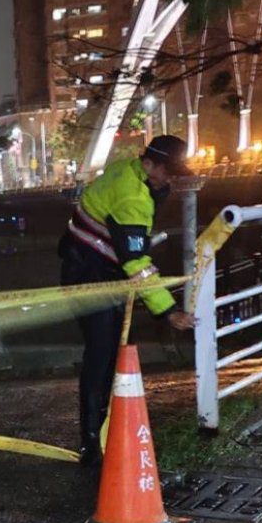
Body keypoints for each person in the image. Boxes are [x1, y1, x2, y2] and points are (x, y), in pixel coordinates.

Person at [59, 135, 197, 467]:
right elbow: (136, 264)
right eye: (168, 171)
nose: (171, 179)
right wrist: (169, 311)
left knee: (114, 350)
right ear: (148, 163)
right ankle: (92, 443)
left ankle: (107, 430)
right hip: (91, 278)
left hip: (88, 267)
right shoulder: (133, 196)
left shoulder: (126, 169)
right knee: (103, 354)